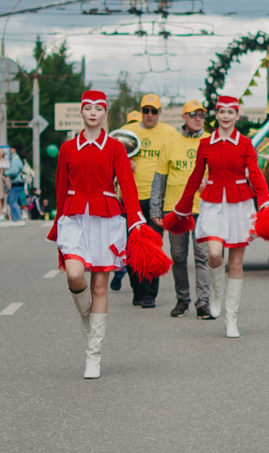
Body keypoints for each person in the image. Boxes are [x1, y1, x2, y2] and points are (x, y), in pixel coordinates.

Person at [169, 93, 269, 338]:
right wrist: (182, 207)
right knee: (214, 255)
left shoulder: (245, 143)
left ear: (237, 115)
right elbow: (195, 177)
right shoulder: (205, 144)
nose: (226, 116)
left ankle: (231, 318)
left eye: (230, 112)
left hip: (240, 204)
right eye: (221, 112)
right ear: (216, 115)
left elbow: (255, 173)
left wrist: (265, 199)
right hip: (213, 203)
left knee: (236, 262)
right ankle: (216, 293)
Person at [55, 90, 142, 378]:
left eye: (98, 108)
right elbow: (59, 190)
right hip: (74, 217)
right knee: (74, 274)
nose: (93, 112)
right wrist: (57, 224)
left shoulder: (116, 148)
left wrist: (136, 221)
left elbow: (128, 187)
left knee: (100, 288)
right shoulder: (68, 148)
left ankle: (94, 354)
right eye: (87, 108)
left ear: (105, 114)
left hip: (106, 218)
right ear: (81, 112)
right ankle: (88, 321)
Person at [154, 99, 207, 317]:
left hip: (204, 208)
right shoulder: (170, 143)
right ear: (184, 117)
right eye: (193, 115)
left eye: (201, 115)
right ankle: (182, 299)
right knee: (178, 256)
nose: (197, 118)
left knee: (203, 255)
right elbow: (160, 179)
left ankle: (203, 301)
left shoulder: (210, 140)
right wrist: (156, 210)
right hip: (175, 209)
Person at [123, 95, 171, 309]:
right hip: (129, 198)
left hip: (156, 200)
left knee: (152, 246)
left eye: (154, 111)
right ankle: (137, 289)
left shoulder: (169, 133)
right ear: (141, 111)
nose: (149, 115)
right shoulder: (126, 133)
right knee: (132, 246)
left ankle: (150, 294)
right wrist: (125, 163)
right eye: (146, 110)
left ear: (160, 112)